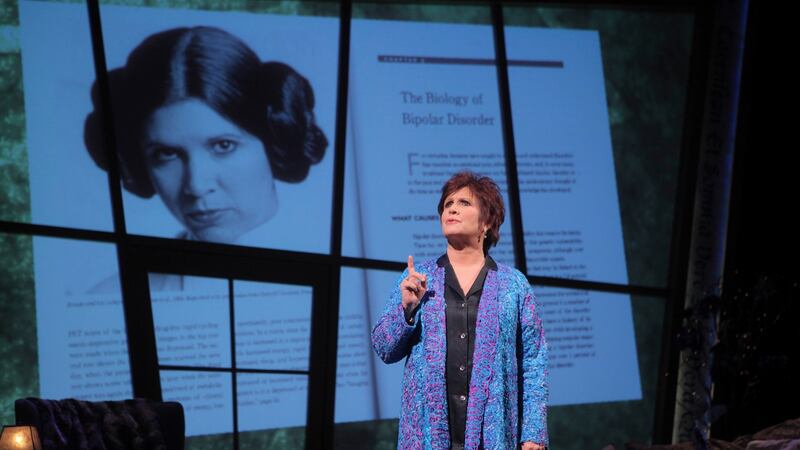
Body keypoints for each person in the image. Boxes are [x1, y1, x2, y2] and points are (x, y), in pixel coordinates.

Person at [84, 26, 327, 244]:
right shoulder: (115, 292)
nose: (196, 186)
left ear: (273, 141)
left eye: (223, 146)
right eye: (166, 154)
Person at [371, 171, 549, 450]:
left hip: (494, 437)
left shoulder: (514, 285)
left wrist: (534, 433)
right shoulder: (418, 278)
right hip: (428, 437)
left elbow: (533, 360)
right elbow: (384, 347)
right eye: (447, 204)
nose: (451, 208)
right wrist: (407, 309)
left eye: (464, 203)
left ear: (487, 222)